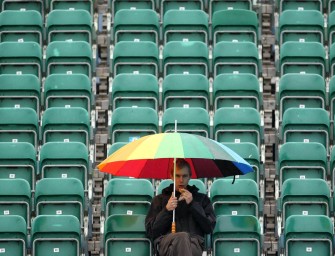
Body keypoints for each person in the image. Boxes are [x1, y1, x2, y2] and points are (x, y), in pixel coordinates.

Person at [145, 158, 216, 256]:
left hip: (193, 243)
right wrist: (167, 210)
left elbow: (209, 227)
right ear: (171, 176)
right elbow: (151, 231)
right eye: (177, 176)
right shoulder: (159, 199)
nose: (181, 180)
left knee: (183, 238)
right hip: (167, 243)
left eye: (184, 176)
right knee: (182, 237)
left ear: (190, 176)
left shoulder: (201, 199)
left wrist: (193, 204)